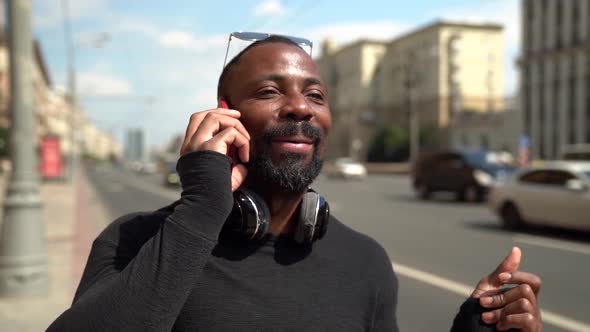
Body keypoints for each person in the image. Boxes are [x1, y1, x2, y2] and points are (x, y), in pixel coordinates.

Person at [47, 34, 542, 332]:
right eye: (269, 91)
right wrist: (200, 208)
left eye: (315, 95)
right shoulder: (133, 242)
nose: (301, 107)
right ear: (225, 115)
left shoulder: (365, 262)